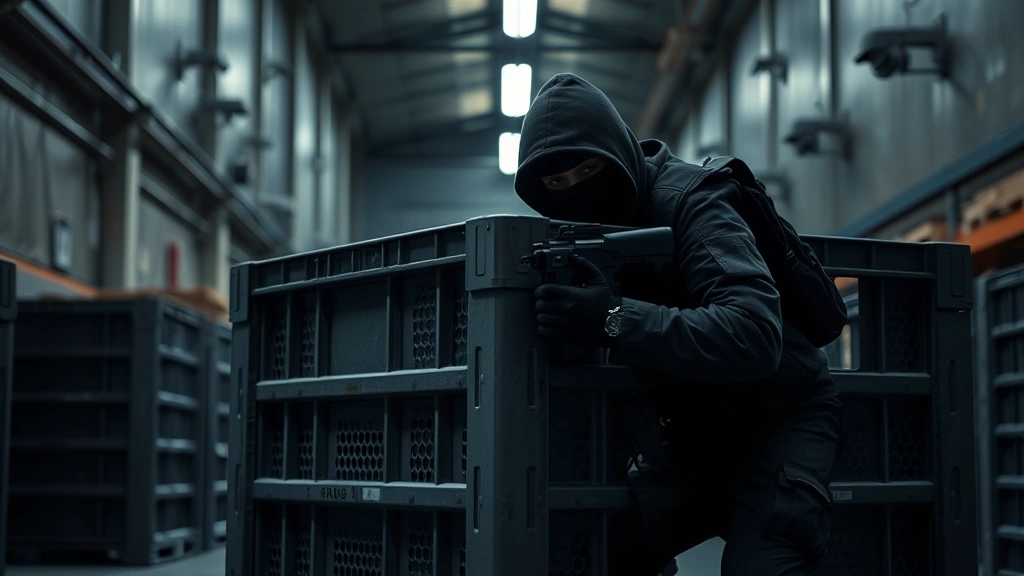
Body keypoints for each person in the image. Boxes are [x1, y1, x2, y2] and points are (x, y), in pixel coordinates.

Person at [514, 73, 843, 575]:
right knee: (591, 553)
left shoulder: (695, 201)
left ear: (618, 154)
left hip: (780, 420)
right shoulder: (583, 237)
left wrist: (612, 319)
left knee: (763, 568)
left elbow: (753, 334)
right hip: (690, 438)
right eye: (557, 184)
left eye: (587, 169)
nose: (575, 191)